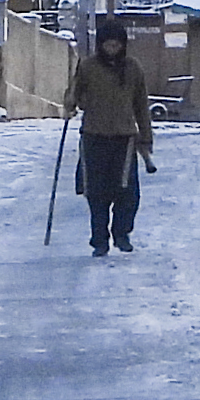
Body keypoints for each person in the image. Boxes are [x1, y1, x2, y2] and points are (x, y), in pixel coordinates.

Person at [69, 15, 158, 255]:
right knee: (96, 193)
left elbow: (141, 105)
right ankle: (99, 240)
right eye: (107, 45)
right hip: (93, 137)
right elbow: (73, 95)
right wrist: (72, 103)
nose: (112, 49)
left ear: (122, 45)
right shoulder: (87, 67)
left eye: (116, 45)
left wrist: (146, 137)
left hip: (124, 138)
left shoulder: (133, 68)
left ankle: (121, 233)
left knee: (127, 193)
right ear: (100, 44)